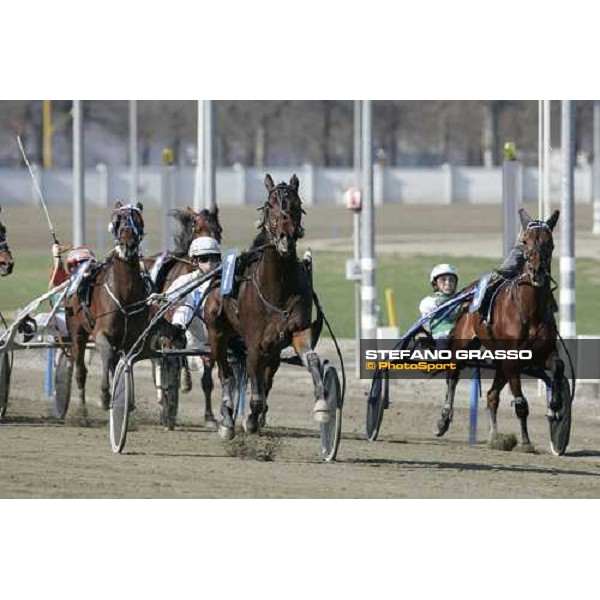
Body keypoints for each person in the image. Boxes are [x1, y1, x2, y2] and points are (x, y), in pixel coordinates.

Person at [418, 263, 460, 341]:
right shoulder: (429, 302)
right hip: (440, 338)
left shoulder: (461, 300)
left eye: (451, 280)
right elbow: (425, 325)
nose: (447, 283)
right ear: (435, 284)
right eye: (443, 279)